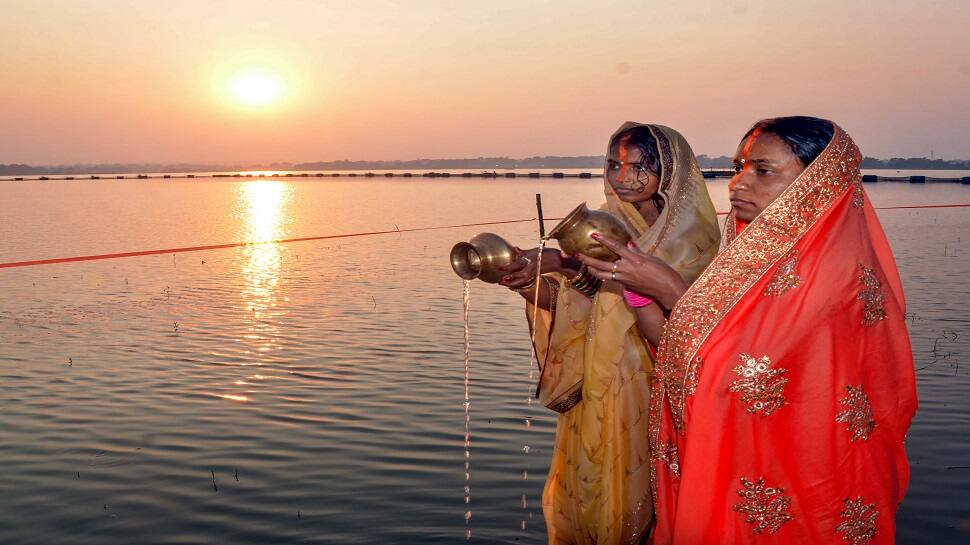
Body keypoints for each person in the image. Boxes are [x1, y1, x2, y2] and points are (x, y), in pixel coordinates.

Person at [581, 117, 917, 544]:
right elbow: (681, 352)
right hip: (745, 476)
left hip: (801, 491)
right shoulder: (756, 266)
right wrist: (641, 291)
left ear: (818, 184)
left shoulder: (835, 280)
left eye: (763, 170)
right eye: (740, 167)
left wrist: (671, 290)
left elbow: (738, 382)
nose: (737, 183)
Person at [500, 122, 720, 545]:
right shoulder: (604, 227)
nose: (623, 177)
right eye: (613, 165)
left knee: (656, 505)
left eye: (637, 166)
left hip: (659, 389)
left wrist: (644, 284)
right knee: (594, 496)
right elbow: (585, 304)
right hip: (602, 387)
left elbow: (701, 324)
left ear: (669, 171)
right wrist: (535, 278)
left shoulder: (697, 241)